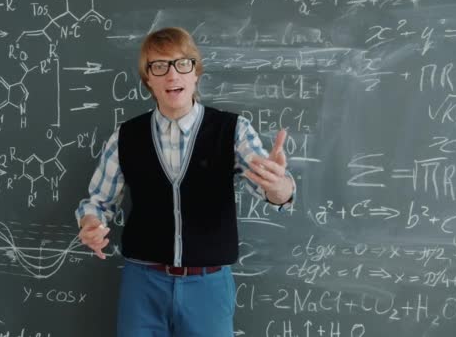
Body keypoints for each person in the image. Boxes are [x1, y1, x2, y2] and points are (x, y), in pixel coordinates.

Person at [75, 27, 295, 337]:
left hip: (208, 285)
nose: (172, 75)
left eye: (182, 64)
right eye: (159, 66)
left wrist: (279, 185)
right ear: (148, 79)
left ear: (196, 73)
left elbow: (275, 191)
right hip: (143, 285)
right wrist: (90, 225)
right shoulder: (125, 137)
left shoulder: (232, 130)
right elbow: (97, 204)